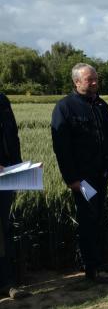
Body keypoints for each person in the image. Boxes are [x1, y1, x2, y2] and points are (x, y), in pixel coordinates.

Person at [51, 63, 108, 284]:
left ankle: (99, 260)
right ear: (76, 82)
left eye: (96, 79)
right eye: (90, 80)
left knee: (100, 217)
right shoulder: (65, 107)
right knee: (88, 220)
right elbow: (61, 147)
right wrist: (71, 179)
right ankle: (91, 269)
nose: (95, 83)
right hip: (83, 179)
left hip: (102, 174)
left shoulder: (101, 105)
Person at [0, 93, 30, 300]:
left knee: (4, 230)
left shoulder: (2, 100)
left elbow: (12, 135)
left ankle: (6, 282)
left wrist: (19, 167)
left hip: (6, 175)